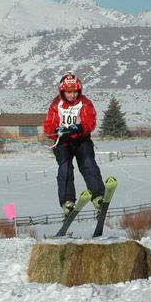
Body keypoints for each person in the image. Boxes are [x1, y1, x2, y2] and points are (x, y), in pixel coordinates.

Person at [43, 72, 105, 217]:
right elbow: (48, 126)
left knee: (88, 164)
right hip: (63, 142)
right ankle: (67, 201)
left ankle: (98, 197)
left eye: (75, 92)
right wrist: (55, 130)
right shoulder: (55, 105)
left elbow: (91, 121)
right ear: (62, 91)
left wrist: (80, 127)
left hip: (81, 140)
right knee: (65, 168)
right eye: (69, 92)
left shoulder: (85, 103)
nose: (72, 95)